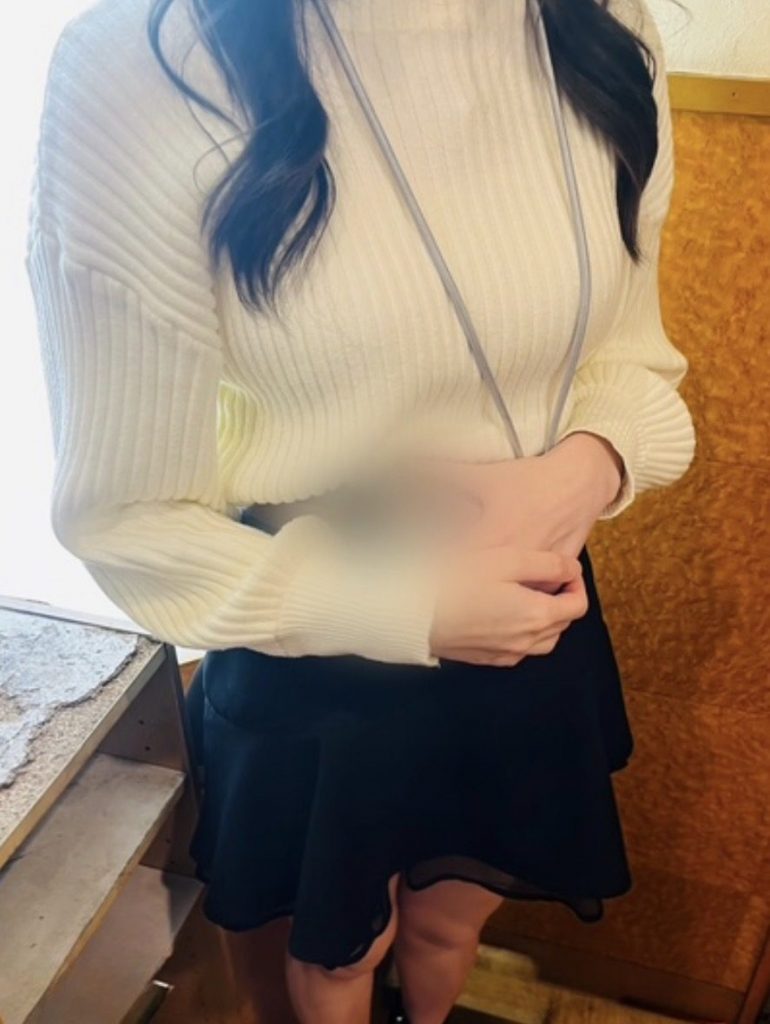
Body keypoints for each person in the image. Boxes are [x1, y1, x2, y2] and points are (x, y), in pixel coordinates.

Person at [26, 0, 696, 1019]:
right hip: (307, 615)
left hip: (528, 601)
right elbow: (125, 518)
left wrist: (587, 468)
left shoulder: (603, 29)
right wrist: (414, 606)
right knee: (337, 948)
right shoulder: (142, 65)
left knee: (448, 924)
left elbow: (633, 358)